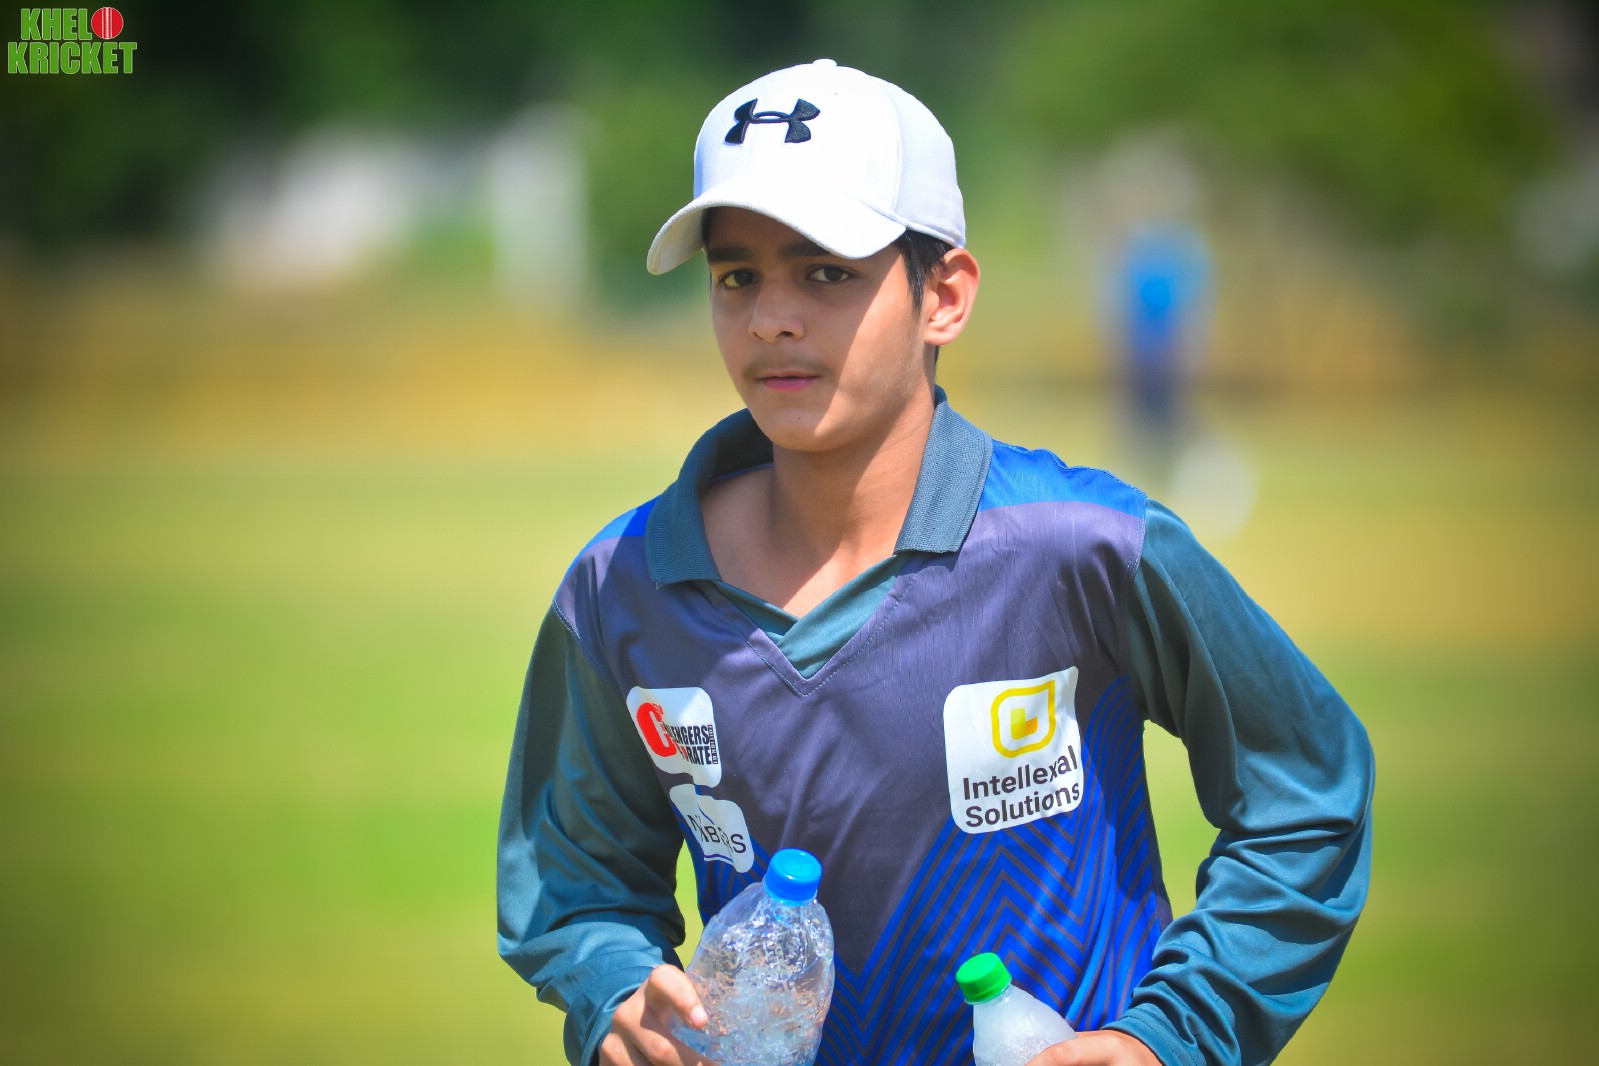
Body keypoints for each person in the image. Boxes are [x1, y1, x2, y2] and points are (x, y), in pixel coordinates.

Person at [497, 59, 1373, 1066]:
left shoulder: (1083, 546)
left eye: (826, 271)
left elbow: (1306, 791)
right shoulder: (622, 587)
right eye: (737, 276)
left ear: (944, 295)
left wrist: (1169, 1036)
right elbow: (576, 886)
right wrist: (613, 990)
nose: (770, 315)